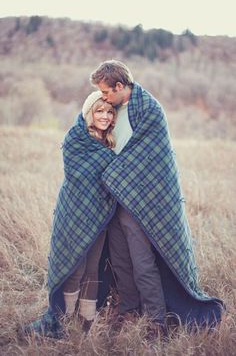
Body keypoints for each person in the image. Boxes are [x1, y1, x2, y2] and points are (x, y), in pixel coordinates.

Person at [90, 59, 225, 334]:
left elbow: (147, 156)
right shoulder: (111, 109)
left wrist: (112, 172)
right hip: (115, 197)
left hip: (141, 201)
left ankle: (157, 320)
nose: (103, 97)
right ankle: (129, 309)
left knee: (142, 261)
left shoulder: (148, 109)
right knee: (120, 258)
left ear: (119, 86)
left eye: (106, 92)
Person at [25, 91, 117, 338]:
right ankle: (63, 319)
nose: (105, 116)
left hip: (100, 215)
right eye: (99, 111)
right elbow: (79, 174)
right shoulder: (76, 138)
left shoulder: (110, 142)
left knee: (93, 267)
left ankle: (86, 320)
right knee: (75, 266)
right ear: (89, 112)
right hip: (74, 212)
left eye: (109, 112)